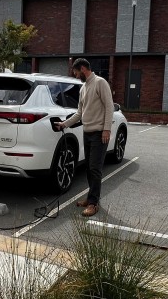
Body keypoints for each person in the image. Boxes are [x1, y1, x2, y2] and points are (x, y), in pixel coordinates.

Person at [54, 58, 114, 217]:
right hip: (87, 133)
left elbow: (109, 106)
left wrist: (107, 129)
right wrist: (64, 124)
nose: (75, 75)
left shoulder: (100, 83)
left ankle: (94, 204)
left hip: (99, 133)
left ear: (82, 68)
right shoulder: (83, 88)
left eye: (75, 72)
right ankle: (90, 198)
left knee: (95, 168)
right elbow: (80, 113)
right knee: (89, 167)